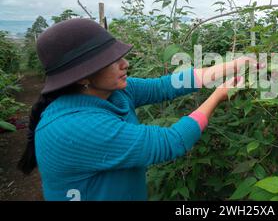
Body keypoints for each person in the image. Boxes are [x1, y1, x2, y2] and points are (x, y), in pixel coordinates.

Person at [17, 18, 255, 201]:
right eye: (111, 60)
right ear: (82, 77)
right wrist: (217, 96)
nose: (125, 63)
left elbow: (167, 85)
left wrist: (235, 64)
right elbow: (170, 142)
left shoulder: (115, 91)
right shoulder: (72, 128)